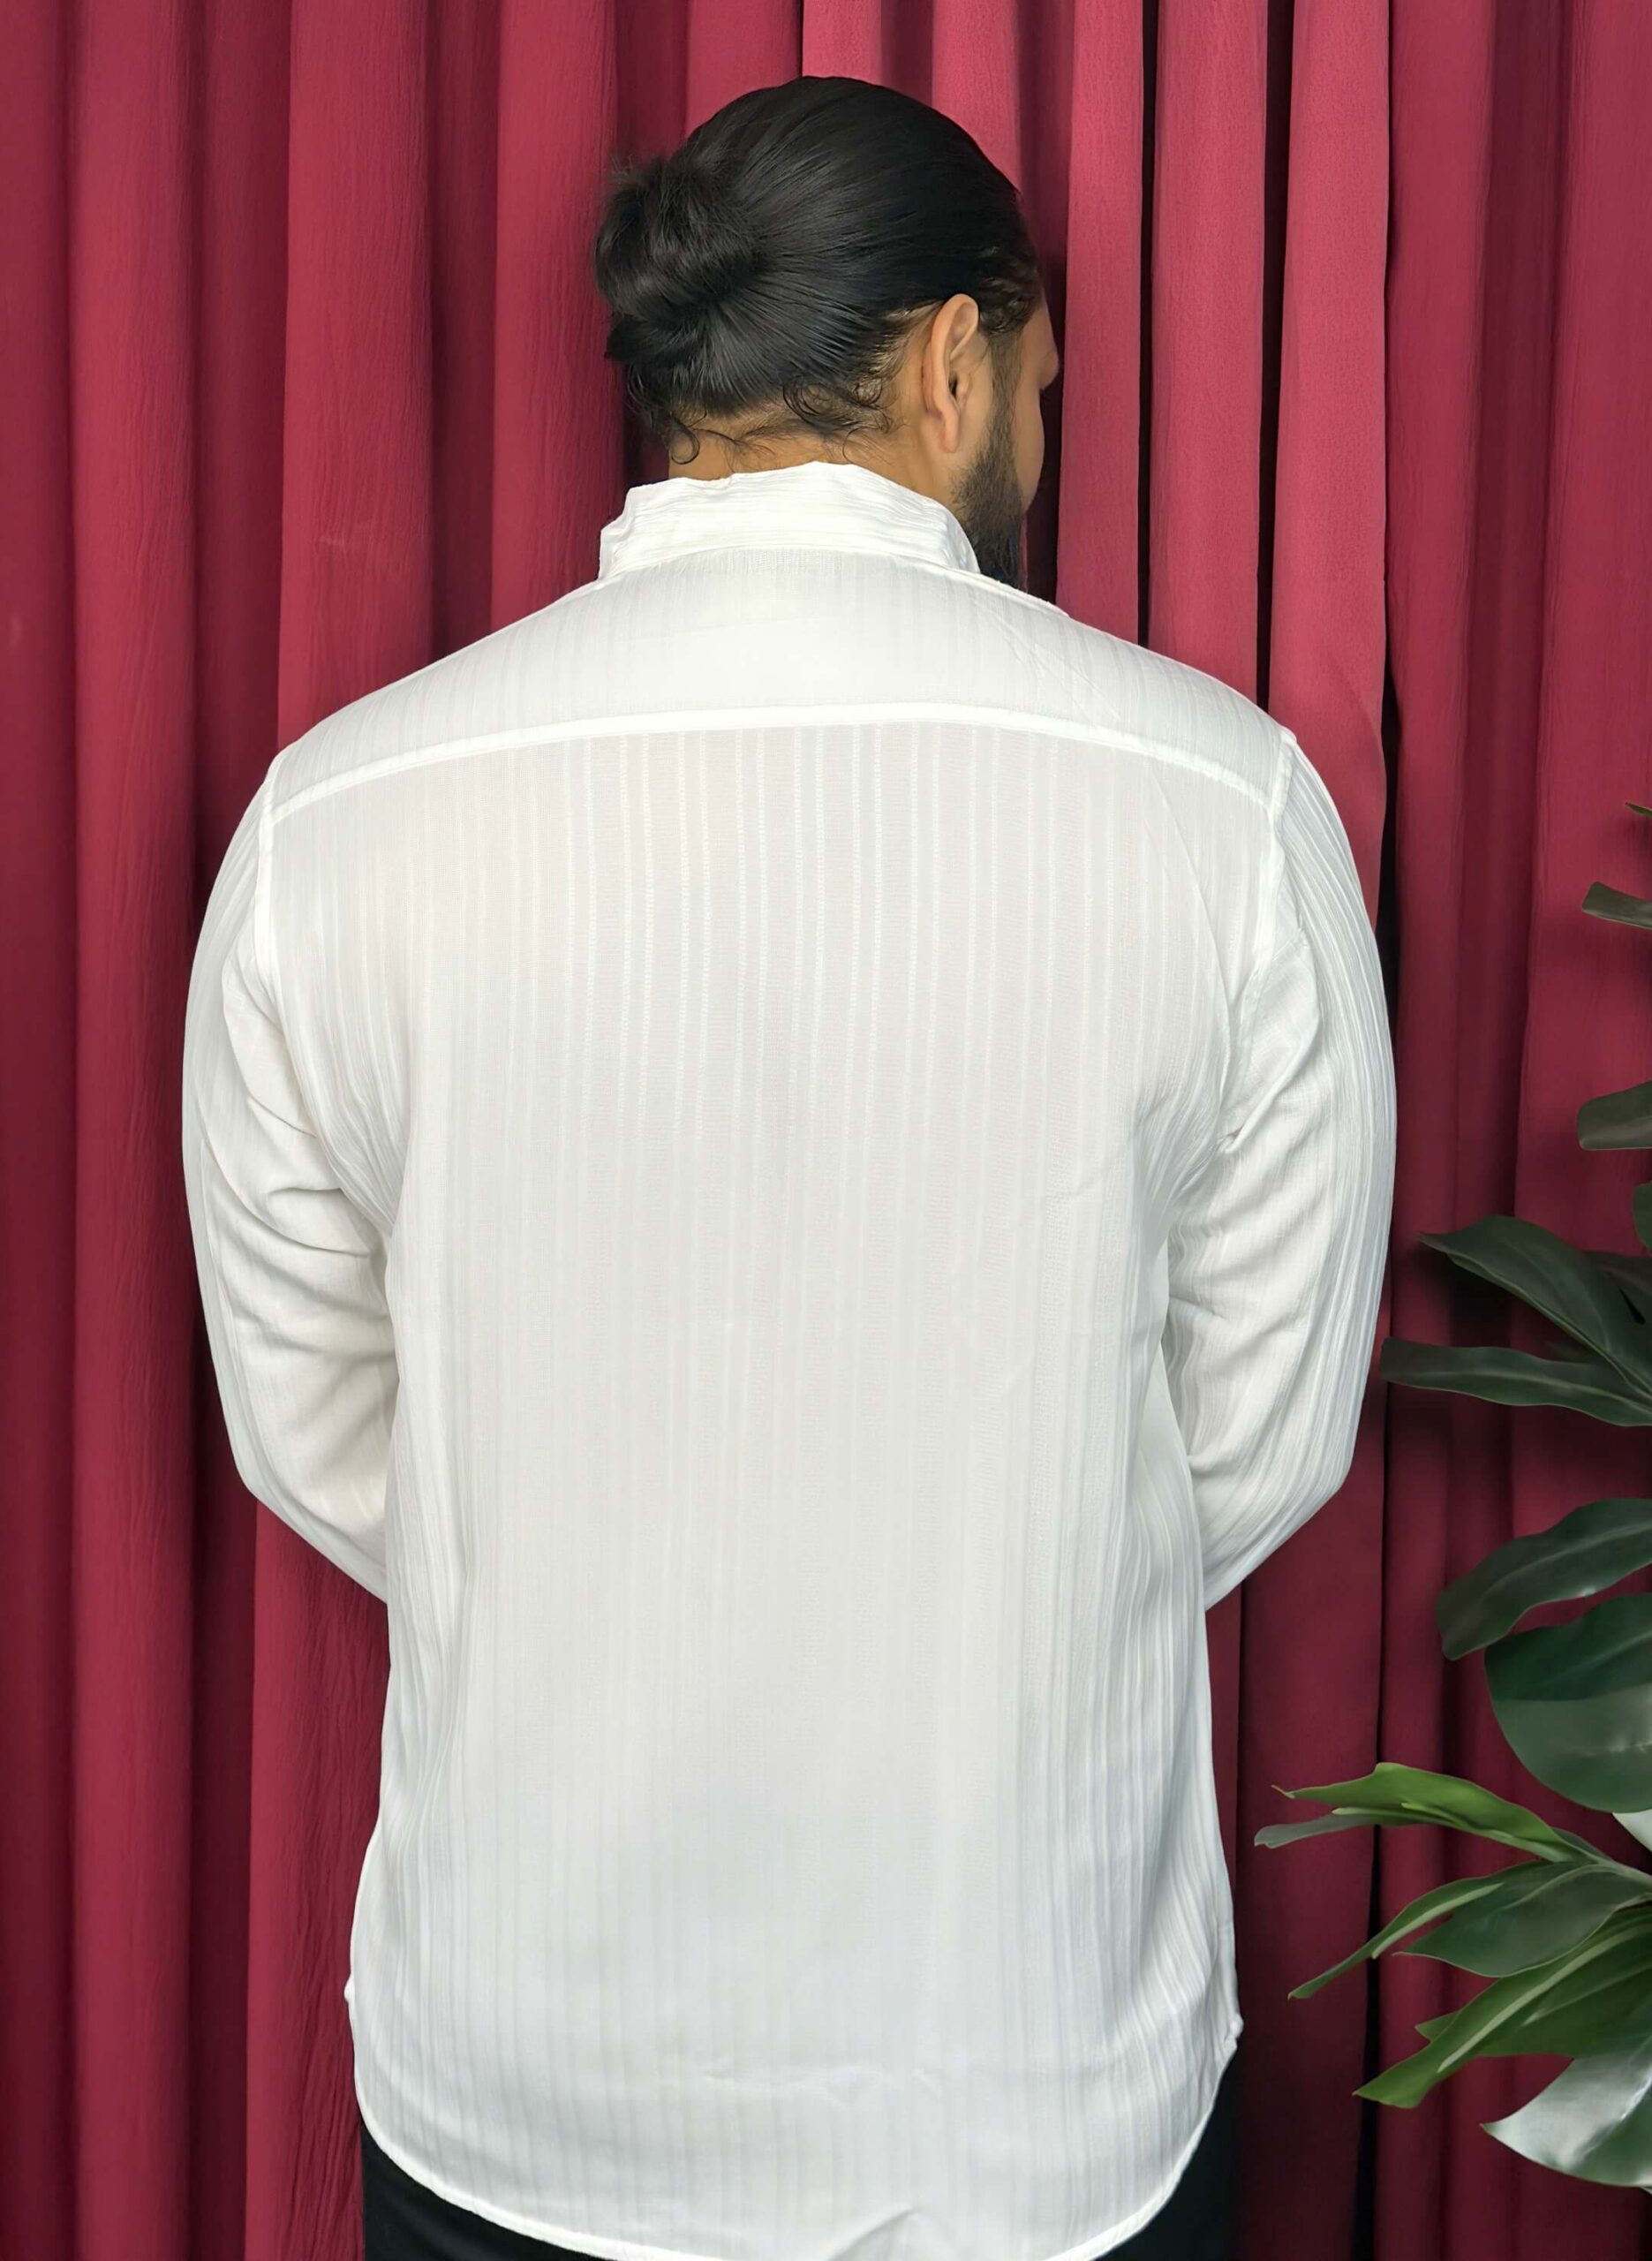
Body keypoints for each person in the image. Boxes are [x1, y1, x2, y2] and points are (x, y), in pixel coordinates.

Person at [181, 72, 1395, 2261]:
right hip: (1032, 2076)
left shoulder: (332, 821)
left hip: (528, 2069)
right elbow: (1257, 1431)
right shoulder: (1226, 809)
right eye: (1040, 382)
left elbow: (318, 1424)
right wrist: (1000, 1569)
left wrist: (590, 1565)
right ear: (957, 362)